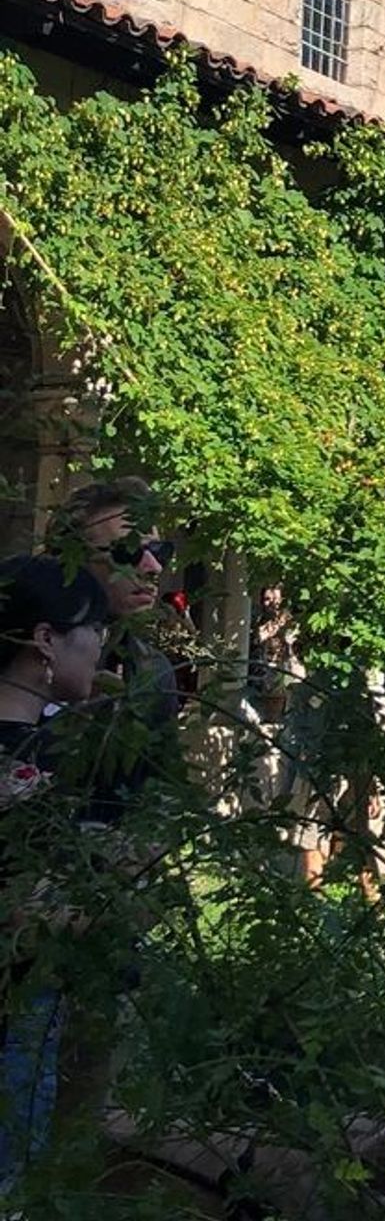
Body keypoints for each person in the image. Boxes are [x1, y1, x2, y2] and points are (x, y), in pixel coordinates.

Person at [0, 554, 110, 1188]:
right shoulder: (30, 762)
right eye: (94, 629)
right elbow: (26, 907)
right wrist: (117, 901)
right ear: (45, 639)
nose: (100, 648)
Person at [44, 478, 183, 824]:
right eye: (127, 552)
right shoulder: (15, 651)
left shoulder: (152, 671)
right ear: (70, 560)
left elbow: (153, 799)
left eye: (160, 551)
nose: (153, 567)